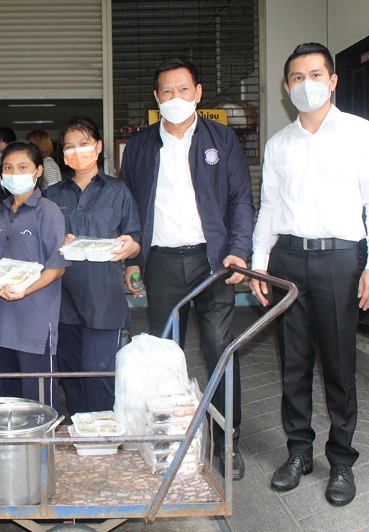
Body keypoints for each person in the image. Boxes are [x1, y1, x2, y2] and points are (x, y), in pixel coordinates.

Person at [249, 42, 369, 506]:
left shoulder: (361, 133)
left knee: (338, 364)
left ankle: (342, 460)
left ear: (332, 81)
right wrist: (259, 263)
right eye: (297, 77)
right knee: (293, 363)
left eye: (315, 75)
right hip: (289, 261)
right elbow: (269, 206)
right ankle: (298, 452)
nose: (306, 84)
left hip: (340, 261)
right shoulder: (279, 144)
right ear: (286, 87)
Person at [119, 59, 254, 480]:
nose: (175, 98)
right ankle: (168, 440)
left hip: (212, 262)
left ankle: (227, 440)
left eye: (183, 90)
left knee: (219, 350)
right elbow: (129, 207)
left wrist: (239, 250)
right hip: (160, 263)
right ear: (156, 98)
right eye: (166, 91)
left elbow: (241, 199)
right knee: (163, 355)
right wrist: (132, 260)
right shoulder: (140, 146)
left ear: (197, 93)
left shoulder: (222, 139)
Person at [45, 116, 141, 414]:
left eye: (84, 144)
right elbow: (41, 243)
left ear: (98, 146)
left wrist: (130, 250)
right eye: (69, 146)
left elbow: (135, 238)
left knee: (98, 374)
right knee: (71, 373)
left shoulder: (118, 190)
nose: (77, 151)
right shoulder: (53, 195)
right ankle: (79, 427)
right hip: (62, 300)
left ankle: (102, 432)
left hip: (103, 299)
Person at [0, 141, 69, 411]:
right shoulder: (1, 213)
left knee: (40, 403)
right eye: (8, 168)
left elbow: (57, 267)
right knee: (10, 402)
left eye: (22, 167)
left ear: (38, 171)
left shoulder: (47, 211)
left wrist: (25, 290)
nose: (14, 174)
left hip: (35, 324)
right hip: (3, 322)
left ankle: (44, 441)